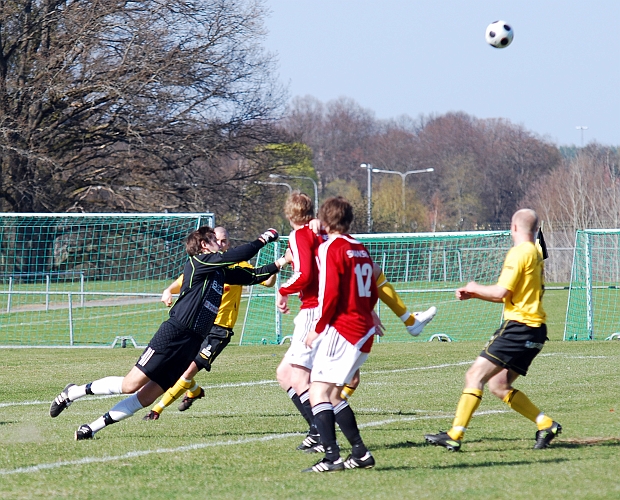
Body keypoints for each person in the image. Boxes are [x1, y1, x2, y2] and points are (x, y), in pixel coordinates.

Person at [49, 226, 285, 440]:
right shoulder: (200, 263)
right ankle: (74, 392)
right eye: (215, 240)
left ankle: (91, 428)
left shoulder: (220, 271)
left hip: (193, 342)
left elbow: (254, 276)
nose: (221, 244)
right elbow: (240, 255)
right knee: (131, 384)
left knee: (147, 397)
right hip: (174, 334)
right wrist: (265, 237)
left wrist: (283, 260)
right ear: (204, 245)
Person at [275, 191, 437, 453]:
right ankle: (336, 441)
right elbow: (369, 274)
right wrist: (369, 308)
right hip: (346, 316)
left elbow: (309, 278)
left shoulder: (314, 239)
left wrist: (284, 292)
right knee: (290, 376)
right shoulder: (349, 243)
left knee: (314, 386)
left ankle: (326, 440)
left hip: (322, 313)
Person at [424, 208, 561, 452]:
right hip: (537, 330)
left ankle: (455, 435)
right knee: (498, 385)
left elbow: (501, 293)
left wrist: (474, 288)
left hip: (519, 327)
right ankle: (546, 424)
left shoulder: (519, 253)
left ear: (514, 227)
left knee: (474, 376)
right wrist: (474, 294)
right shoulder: (536, 252)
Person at [142, 226, 283, 420]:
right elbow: (183, 279)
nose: (222, 244)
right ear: (208, 243)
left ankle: (156, 410)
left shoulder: (236, 264)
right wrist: (168, 291)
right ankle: (194, 391)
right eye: (218, 240)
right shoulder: (205, 263)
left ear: (229, 243)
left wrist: (278, 264)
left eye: (225, 241)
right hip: (198, 328)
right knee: (183, 369)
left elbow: (264, 281)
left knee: (189, 369)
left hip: (220, 330)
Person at [301, 196, 378, 473]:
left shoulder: (330, 248)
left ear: (325, 219)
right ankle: (360, 453)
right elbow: (373, 287)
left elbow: (330, 293)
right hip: (363, 330)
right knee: (332, 395)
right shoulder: (360, 247)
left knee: (317, 392)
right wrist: (370, 313)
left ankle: (332, 457)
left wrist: (317, 329)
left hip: (344, 329)